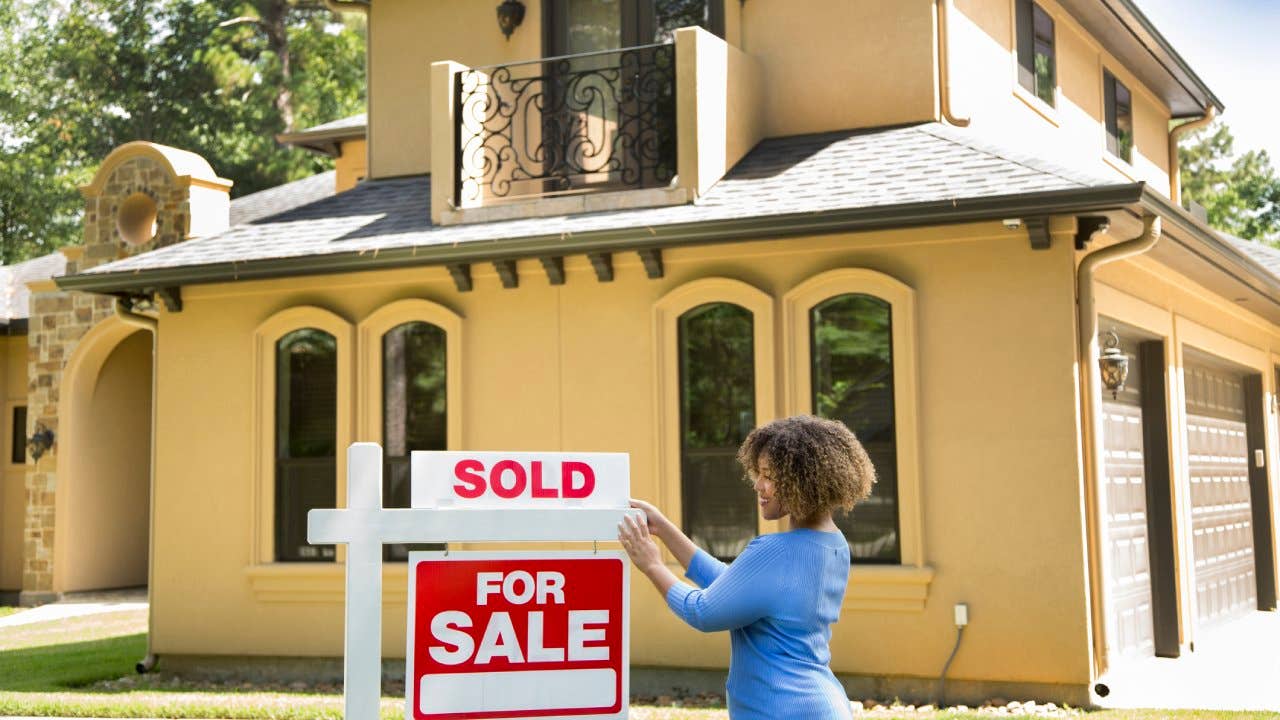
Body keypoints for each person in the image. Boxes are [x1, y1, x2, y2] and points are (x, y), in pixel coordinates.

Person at [617, 415, 875, 720]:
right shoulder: (834, 545)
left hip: (784, 710)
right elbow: (735, 585)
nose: (757, 484)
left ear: (803, 480)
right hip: (821, 705)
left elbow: (702, 611)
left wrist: (651, 564)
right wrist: (664, 528)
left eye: (769, 475)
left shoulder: (777, 552)